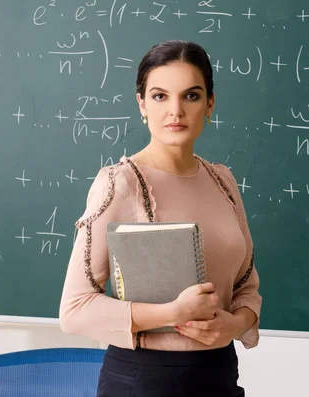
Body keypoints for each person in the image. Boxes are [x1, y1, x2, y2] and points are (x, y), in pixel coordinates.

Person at [59, 39, 262, 397]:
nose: (176, 111)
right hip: (145, 380)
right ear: (142, 104)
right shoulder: (119, 184)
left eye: (191, 96)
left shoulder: (224, 181)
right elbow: (75, 308)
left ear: (210, 104)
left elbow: (247, 287)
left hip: (219, 375)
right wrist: (173, 312)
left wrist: (233, 325)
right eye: (160, 96)